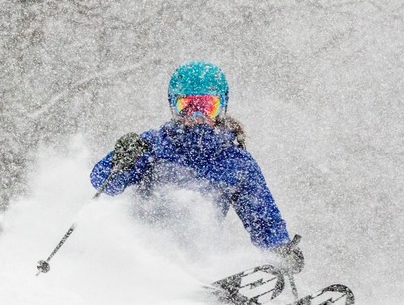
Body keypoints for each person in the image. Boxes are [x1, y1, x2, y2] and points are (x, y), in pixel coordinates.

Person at [89, 60, 304, 273]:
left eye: (207, 107)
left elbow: (262, 217)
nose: (198, 117)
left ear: (222, 108)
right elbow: (104, 182)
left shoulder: (237, 162)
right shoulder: (153, 145)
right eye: (187, 107)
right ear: (174, 107)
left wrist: (279, 248)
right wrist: (120, 160)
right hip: (141, 254)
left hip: (197, 260)